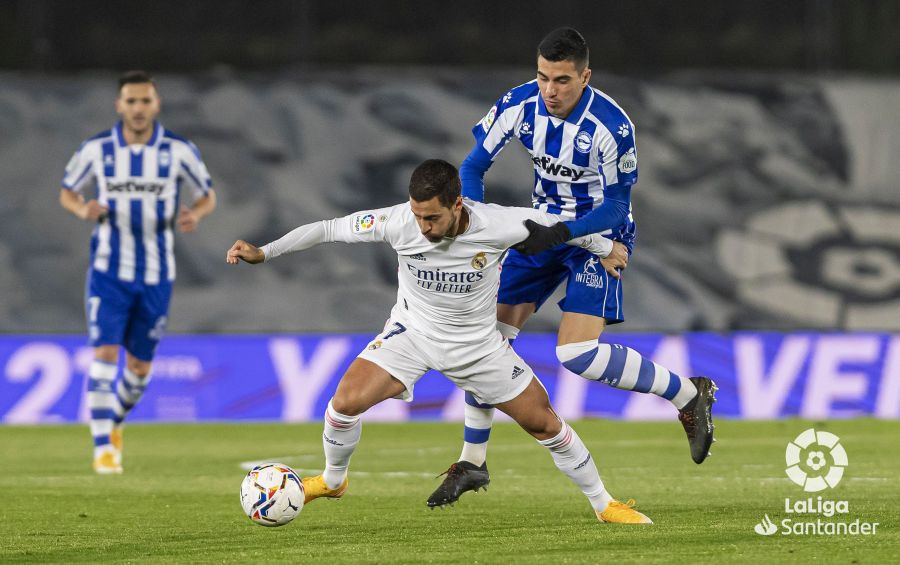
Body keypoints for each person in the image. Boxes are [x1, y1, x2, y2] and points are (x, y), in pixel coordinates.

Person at [226, 159, 650, 524]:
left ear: (457, 204)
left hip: (478, 348)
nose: (423, 226)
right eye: (417, 215)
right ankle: (333, 482)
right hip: (412, 335)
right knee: (343, 405)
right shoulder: (397, 222)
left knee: (545, 424)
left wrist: (604, 246)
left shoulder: (499, 223)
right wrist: (265, 251)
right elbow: (328, 229)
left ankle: (604, 503)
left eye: (432, 218)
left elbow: (561, 231)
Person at [427, 27, 716, 507]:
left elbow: (617, 206)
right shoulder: (520, 105)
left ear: (585, 76)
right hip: (540, 227)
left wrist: (566, 235)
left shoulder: (612, 127)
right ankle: (472, 463)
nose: (549, 91)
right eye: (542, 77)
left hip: (598, 239)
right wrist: (482, 225)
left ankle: (688, 394)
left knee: (577, 354)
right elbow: (473, 167)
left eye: (561, 80)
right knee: (487, 343)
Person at [59, 70, 217, 474]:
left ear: (156, 104)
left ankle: (113, 421)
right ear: (119, 105)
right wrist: (82, 209)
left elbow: (207, 195)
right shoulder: (96, 150)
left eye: (145, 100)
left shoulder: (179, 150)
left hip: (157, 273)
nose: (138, 108)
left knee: (140, 368)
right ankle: (103, 449)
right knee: (105, 351)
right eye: (131, 101)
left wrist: (194, 214)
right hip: (108, 269)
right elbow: (67, 191)